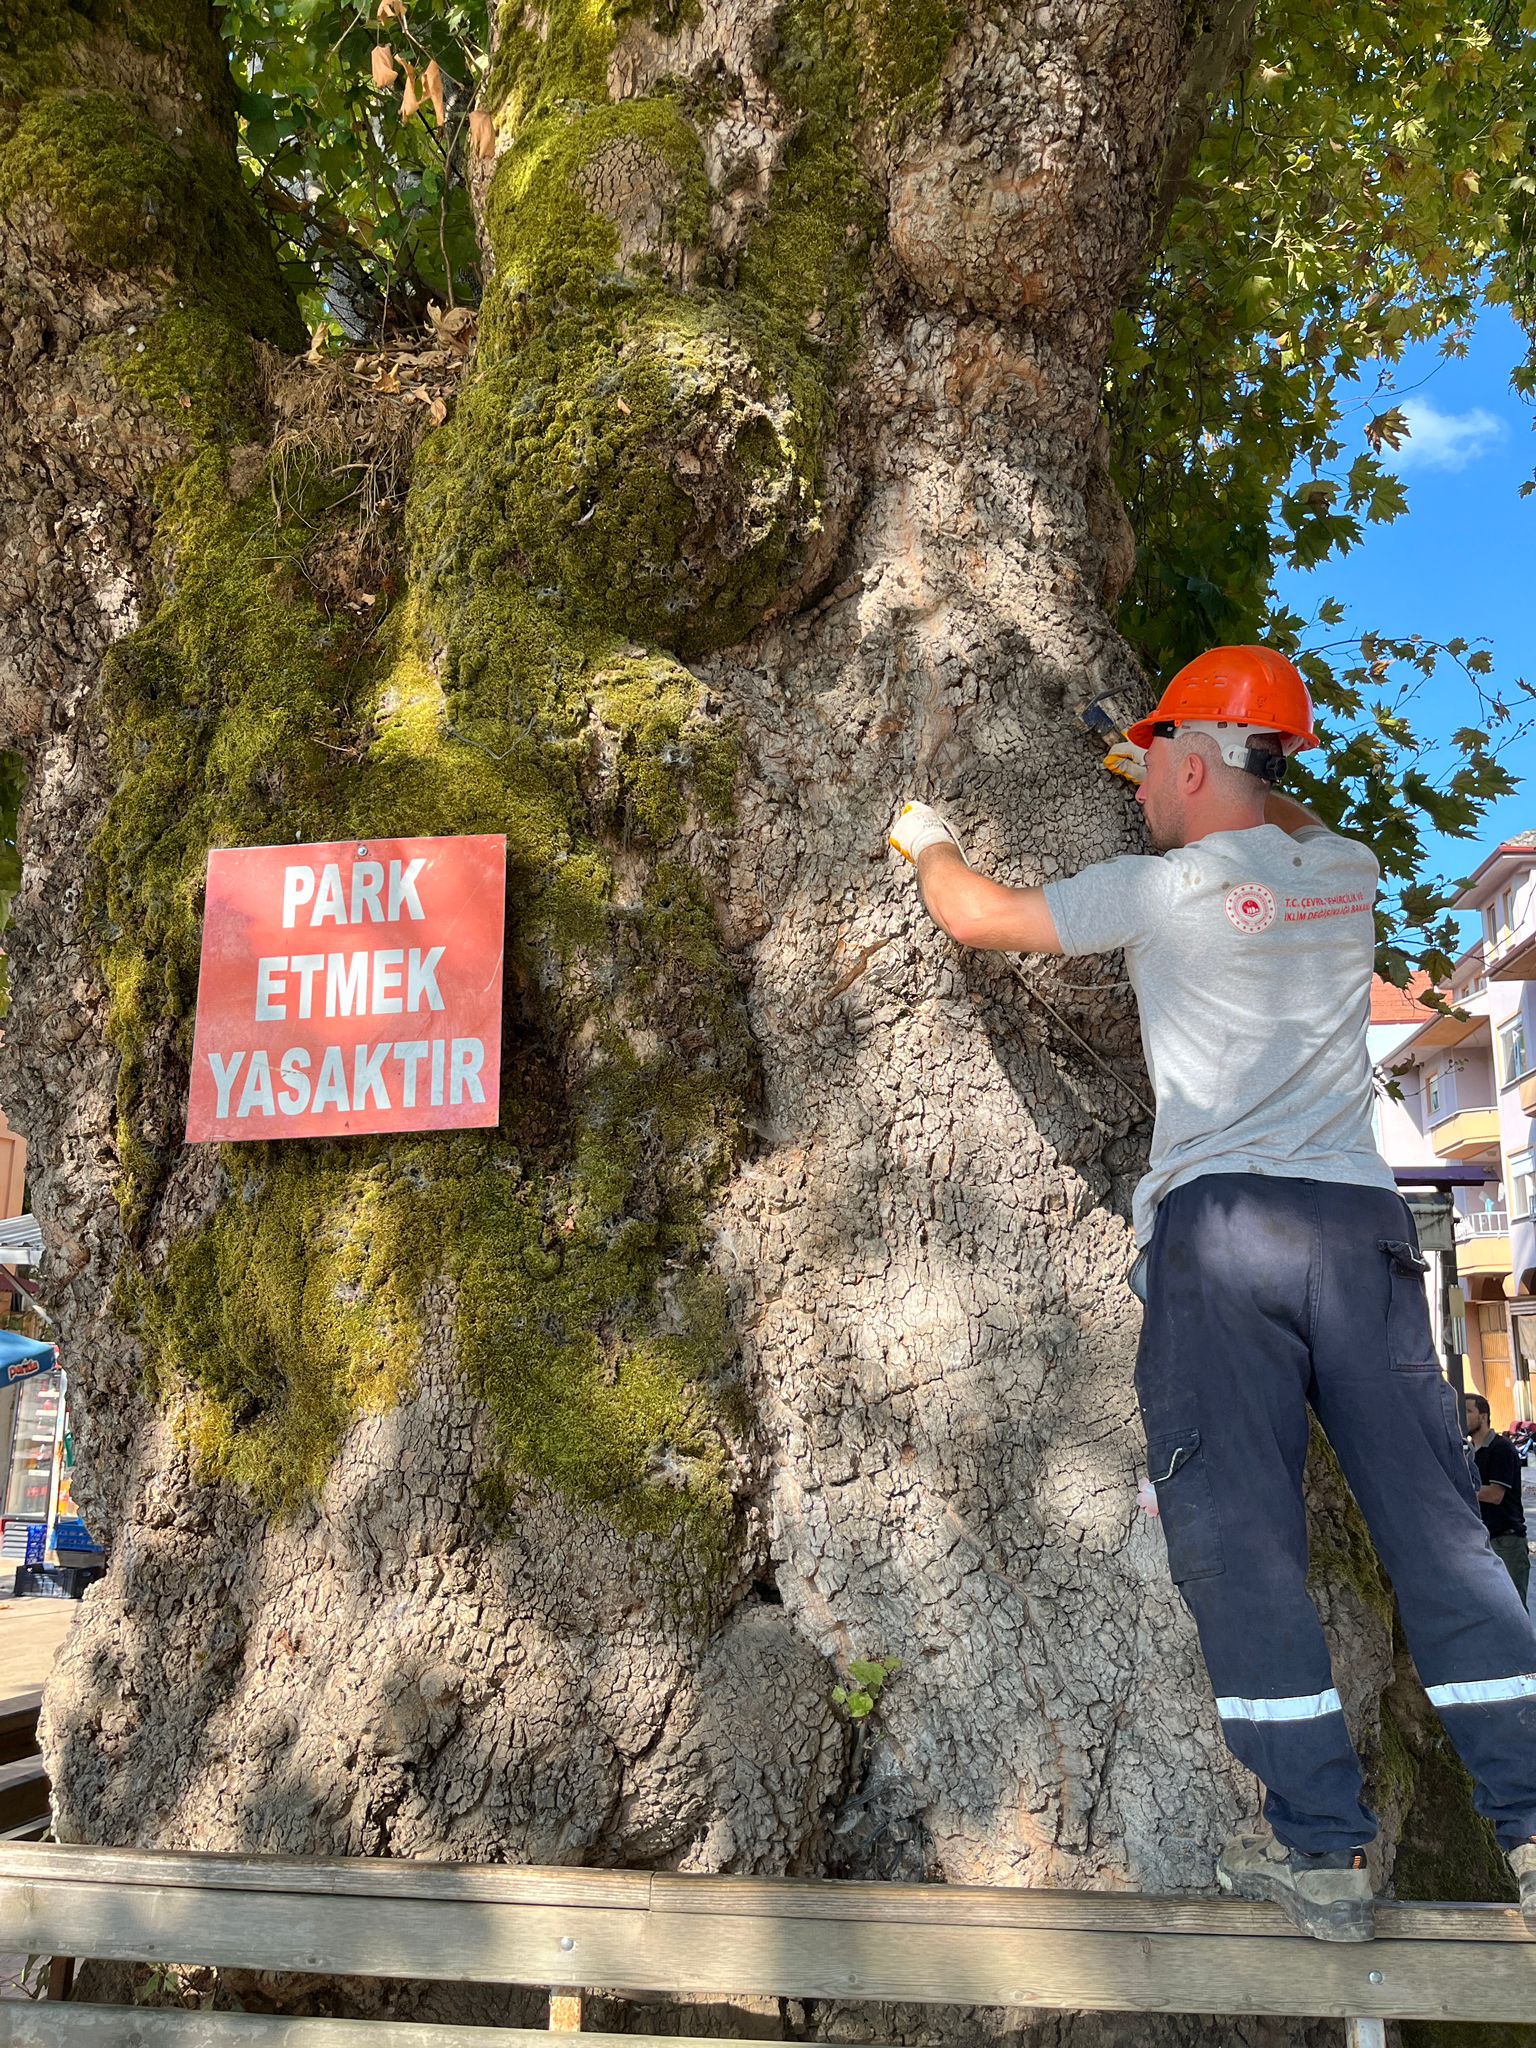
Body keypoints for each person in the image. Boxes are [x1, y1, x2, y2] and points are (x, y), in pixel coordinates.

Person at [889, 645, 1536, 1944]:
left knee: (1241, 1543)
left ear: (1192, 763)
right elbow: (1280, 809)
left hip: (1222, 1237)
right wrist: (1183, 759)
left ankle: (1326, 1854)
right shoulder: (1340, 878)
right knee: (1443, 1538)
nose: (1137, 793)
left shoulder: (1160, 889)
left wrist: (923, 840)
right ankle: (1530, 1823)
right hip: (1358, 1234)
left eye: (1153, 769)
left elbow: (976, 915)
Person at [1466, 1391, 1530, 1607]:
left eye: (1467, 1411)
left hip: (1506, 1540)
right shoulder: (1470, 1451)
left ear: (1483, 1416)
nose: (1461, 1417)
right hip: (1483, 1539)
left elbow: (1495, 1495)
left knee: (1513, 1609)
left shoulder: (1501, 1448)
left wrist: (1461, 1490)